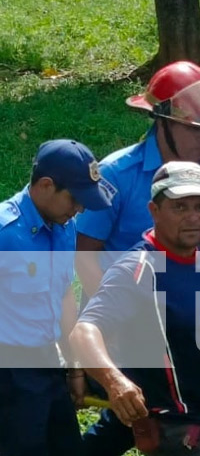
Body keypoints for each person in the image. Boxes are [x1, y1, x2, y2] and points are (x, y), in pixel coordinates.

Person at [70, 161, 200, 456]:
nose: (194, 217)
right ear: (154, 211)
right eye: (180, 207)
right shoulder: (138, 270)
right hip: (174, 423)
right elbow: (84, 331)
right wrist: (114, 382)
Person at [76, 60, 200, 299]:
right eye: (191, 128)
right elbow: (83, 256)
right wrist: (113, 312)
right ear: (163, 123)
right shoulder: (115, 174)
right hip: (117, 302)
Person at [0, 139, 111, 456]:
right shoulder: (5, 233)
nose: (79, 208)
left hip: (49, 363)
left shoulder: (65, 228)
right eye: (75, 199)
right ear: (46, 186)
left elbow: (63, 297)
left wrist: (74, 368)